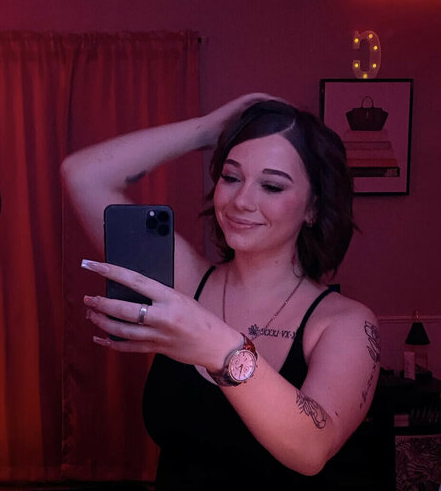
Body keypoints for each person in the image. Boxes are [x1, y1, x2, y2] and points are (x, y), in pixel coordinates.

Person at [61, 93, 381, 490]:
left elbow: (312, 449)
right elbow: (82, 174)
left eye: (272, 186)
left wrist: (216, 347)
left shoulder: (345, 323)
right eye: (231, 177)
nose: (241, 200)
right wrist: (206, 129)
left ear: (312, 208)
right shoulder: (187, 283)